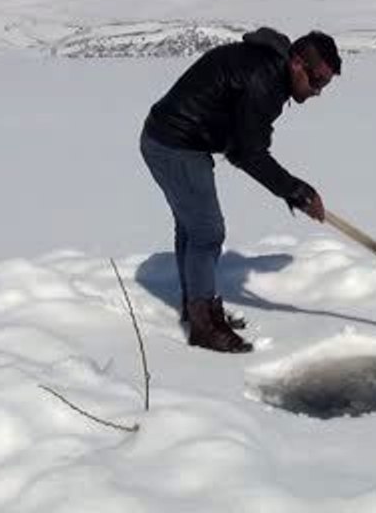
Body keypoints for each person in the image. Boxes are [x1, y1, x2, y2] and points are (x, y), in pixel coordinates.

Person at [140, 27, 341, 353]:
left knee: (193, 228)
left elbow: (242, 147)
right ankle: (204, 325)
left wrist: (293, 192)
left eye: (326, 84)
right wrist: (297, 191)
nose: (318, 91)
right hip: (173, 144)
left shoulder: (268, 71)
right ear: (296, 64)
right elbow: (248, 154)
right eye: (317, 81)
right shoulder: (263, 80)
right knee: (206, 232)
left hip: (175, 139)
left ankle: (198, 309)